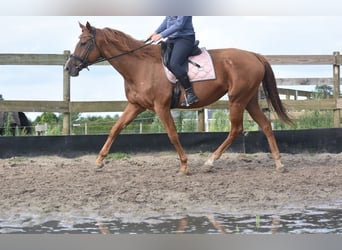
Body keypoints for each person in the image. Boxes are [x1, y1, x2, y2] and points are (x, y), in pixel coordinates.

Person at [148, 16, 199, 106]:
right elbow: (167, 20)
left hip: (185, 38)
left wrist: (161, 35)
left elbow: (179, 24)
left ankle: (190, 93)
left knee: (174, 64)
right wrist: (155, 32)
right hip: (172, 38)